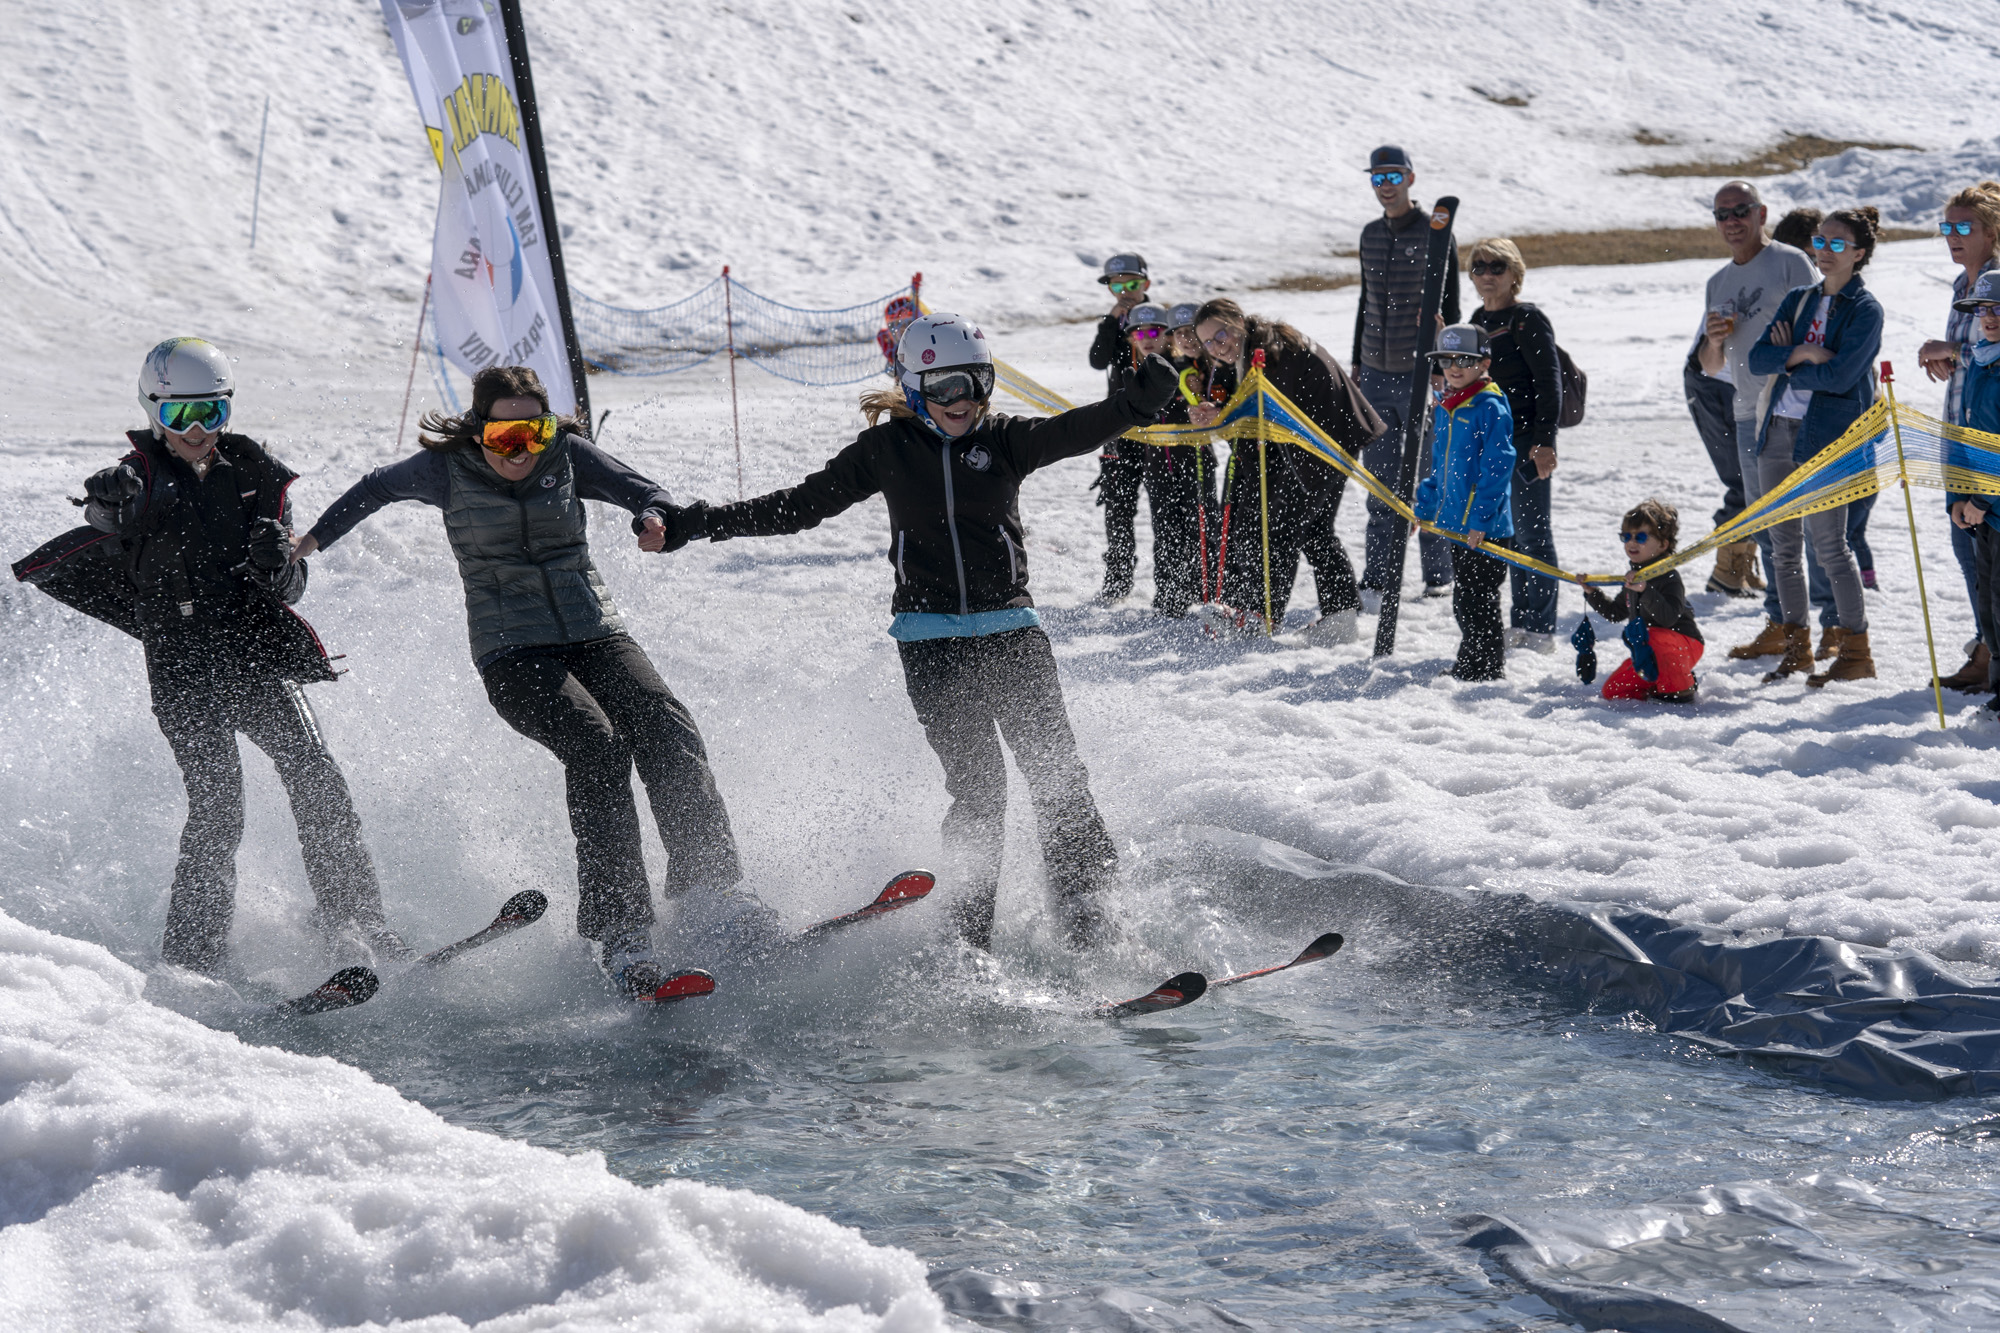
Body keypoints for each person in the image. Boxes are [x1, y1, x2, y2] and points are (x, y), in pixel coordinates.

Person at [652, 314, 1180, 951]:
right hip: (930, 645)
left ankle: (1092, 917)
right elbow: (797, 506)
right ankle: (968, 938)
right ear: (912, 386)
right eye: (945, 388)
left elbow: (1079, 428)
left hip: (1012, 633)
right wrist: (696, 523)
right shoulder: (885, 451)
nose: (963, 402)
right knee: (980, 788)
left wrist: (1137, 402)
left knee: (1057, 774)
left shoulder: (1007, 440)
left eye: (976, 384)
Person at [294, 365, 742, 999]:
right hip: (512, 654)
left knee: (666, 726)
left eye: (532, 432)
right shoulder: (444, 469)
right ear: (481, 430)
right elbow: (373, 490)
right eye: (504, 435)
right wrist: (308, 542)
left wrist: (656, 515)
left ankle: (714, 895)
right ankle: (621, 935)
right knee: (597, 745)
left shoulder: (563, 453)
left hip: (596, 633)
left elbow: (642, 488)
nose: (520, 450)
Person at [11, 338, 402, 975]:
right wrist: (107, 503)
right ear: (153, 411)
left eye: (211, 414)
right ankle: (194, 959)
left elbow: (292, 587)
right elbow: (111, 520)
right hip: (182, 670)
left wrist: (281, 567)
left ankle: (357, 926)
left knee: (319, 778)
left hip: (250, 655)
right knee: (219, 805)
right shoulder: (133, 481)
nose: (197, 431)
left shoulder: (256, 476)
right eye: (179, 416)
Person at [1740, 208, 1884, 687]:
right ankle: (1797, 647)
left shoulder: (1865, 310)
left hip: (1826, 438)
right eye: (1821, 241)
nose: (1824, 251)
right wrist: (1801, 353)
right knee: (1782, 548)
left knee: (1829, 548)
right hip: (1777, 430)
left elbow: (1843, 376)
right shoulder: (1800, 299)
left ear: (1859, 254)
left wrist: (1792, 364)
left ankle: (1855, 650)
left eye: (1838, 244)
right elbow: (1760, 356)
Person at [1189, 299, 1385, 640]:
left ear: (1237, 322)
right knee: (1313, 530)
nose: (1217, 347)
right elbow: (1254, 418)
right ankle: (1341, 615)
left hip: (1322, 442)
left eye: (1220, 335)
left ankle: (1262, 615)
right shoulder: (1249, 351)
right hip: (1316, 441)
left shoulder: (1268, 351)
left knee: (1281, 528)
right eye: (1208, 343)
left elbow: (1267, 415)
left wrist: (1225, 420)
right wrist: (1219, 414)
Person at [1688, 182, 1818, 608]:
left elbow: (1820, 326)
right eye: (1722, 215)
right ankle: (1781, 619)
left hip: (1793, 408)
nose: (1731, 222)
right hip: (1748, 414)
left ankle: (1824, 616)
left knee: (1811, 522)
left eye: (1740, 211)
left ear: (1761, 214)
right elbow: (1711, 367)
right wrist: (1712, 341)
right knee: (1766, 522)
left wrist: (1788, 352)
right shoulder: (1717, 282)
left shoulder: (1790, 262)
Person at [1352, 146, 1460, 606]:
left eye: (1393, 176)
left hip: (1422, 375)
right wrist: (1355, 360)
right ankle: (1378, 576)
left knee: (1426, 483)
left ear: (1411, 179)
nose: (1386, 185)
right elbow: (1365, 299)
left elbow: (1450, 303)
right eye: (1378, 178)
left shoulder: (1435, 232)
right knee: (1379, 484)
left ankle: (1438, 576)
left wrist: (1443, 364)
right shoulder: (1370, 235)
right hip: (1374, 373)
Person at [1465, 238, 1562, 653]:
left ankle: (1541, 627)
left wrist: (1544, 441)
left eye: (1497, 267)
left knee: (1534, 533)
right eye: (1479, 267)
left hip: (1525, 441)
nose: (1487, 275)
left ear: (1515, 274)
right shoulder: (1475, 320)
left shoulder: (1527, 319)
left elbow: (1548, 381)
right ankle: (1520, 622)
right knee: (1509, 535)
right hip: (1492, 442)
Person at [1921, 182, 2000, 690]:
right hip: (1959, 427)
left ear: (1992, 231)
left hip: (1988, 435)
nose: (1951, 236)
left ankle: (1989, 655)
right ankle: (1987, 648)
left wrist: (1948, 346)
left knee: (1982, 546)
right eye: (1946, 227)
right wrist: (1948, 354)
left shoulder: (1996, 282)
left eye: (1963, 227)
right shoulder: (1960, 283)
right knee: (1966, 543)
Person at [1414, 325, 1515, 680]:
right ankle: (1473, 663)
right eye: (1445, 360)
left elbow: (1497, 470)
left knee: (1479, 600)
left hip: (1484, 528)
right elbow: (1441, 470)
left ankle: (1485, 669)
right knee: (1467, 599)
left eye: (1464, 360)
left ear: (1484, 362)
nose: (1453, 367)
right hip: (1459, 525)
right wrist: (1423, 508)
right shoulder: (1448, 406)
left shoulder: (1488, 406)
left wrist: (1481, 521)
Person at [1577, 500, 1704, 703]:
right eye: (1626, 536)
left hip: (1685, 644)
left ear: (1663, 544)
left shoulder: (1669, 577)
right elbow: (1616, 612)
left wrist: (1646, 591)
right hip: (1650, 649)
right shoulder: (1634, 578)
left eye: (1641, 537)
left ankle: (1681, 687)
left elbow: (1669, 618)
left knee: (1652, 635)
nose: (1631, 542)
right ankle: (1662, 681)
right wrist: (1592, 593)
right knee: (1613, 691)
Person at [1086, 254, 1156, 602]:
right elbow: (1098, 360)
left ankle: (1173, 586)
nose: (1125, 292)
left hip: (1161, 430)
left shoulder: (1160, 320)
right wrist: (1110, 323)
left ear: (1145, 284)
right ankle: (1117, 580)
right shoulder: (1112, 323)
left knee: (1166, 507)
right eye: (1117, 285)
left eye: (1132, 284)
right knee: (1117, 505)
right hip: (1120, 427)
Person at [1945, 271, 2000, 709]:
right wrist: (1960, 497)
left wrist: (1983, 500)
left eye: (1998, 308)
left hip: (1994, 507)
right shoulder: (1982, 362)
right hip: (1984, 513)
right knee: (1990, 608)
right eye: (1983, 309)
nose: (1989, 318)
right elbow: (1968, 438)